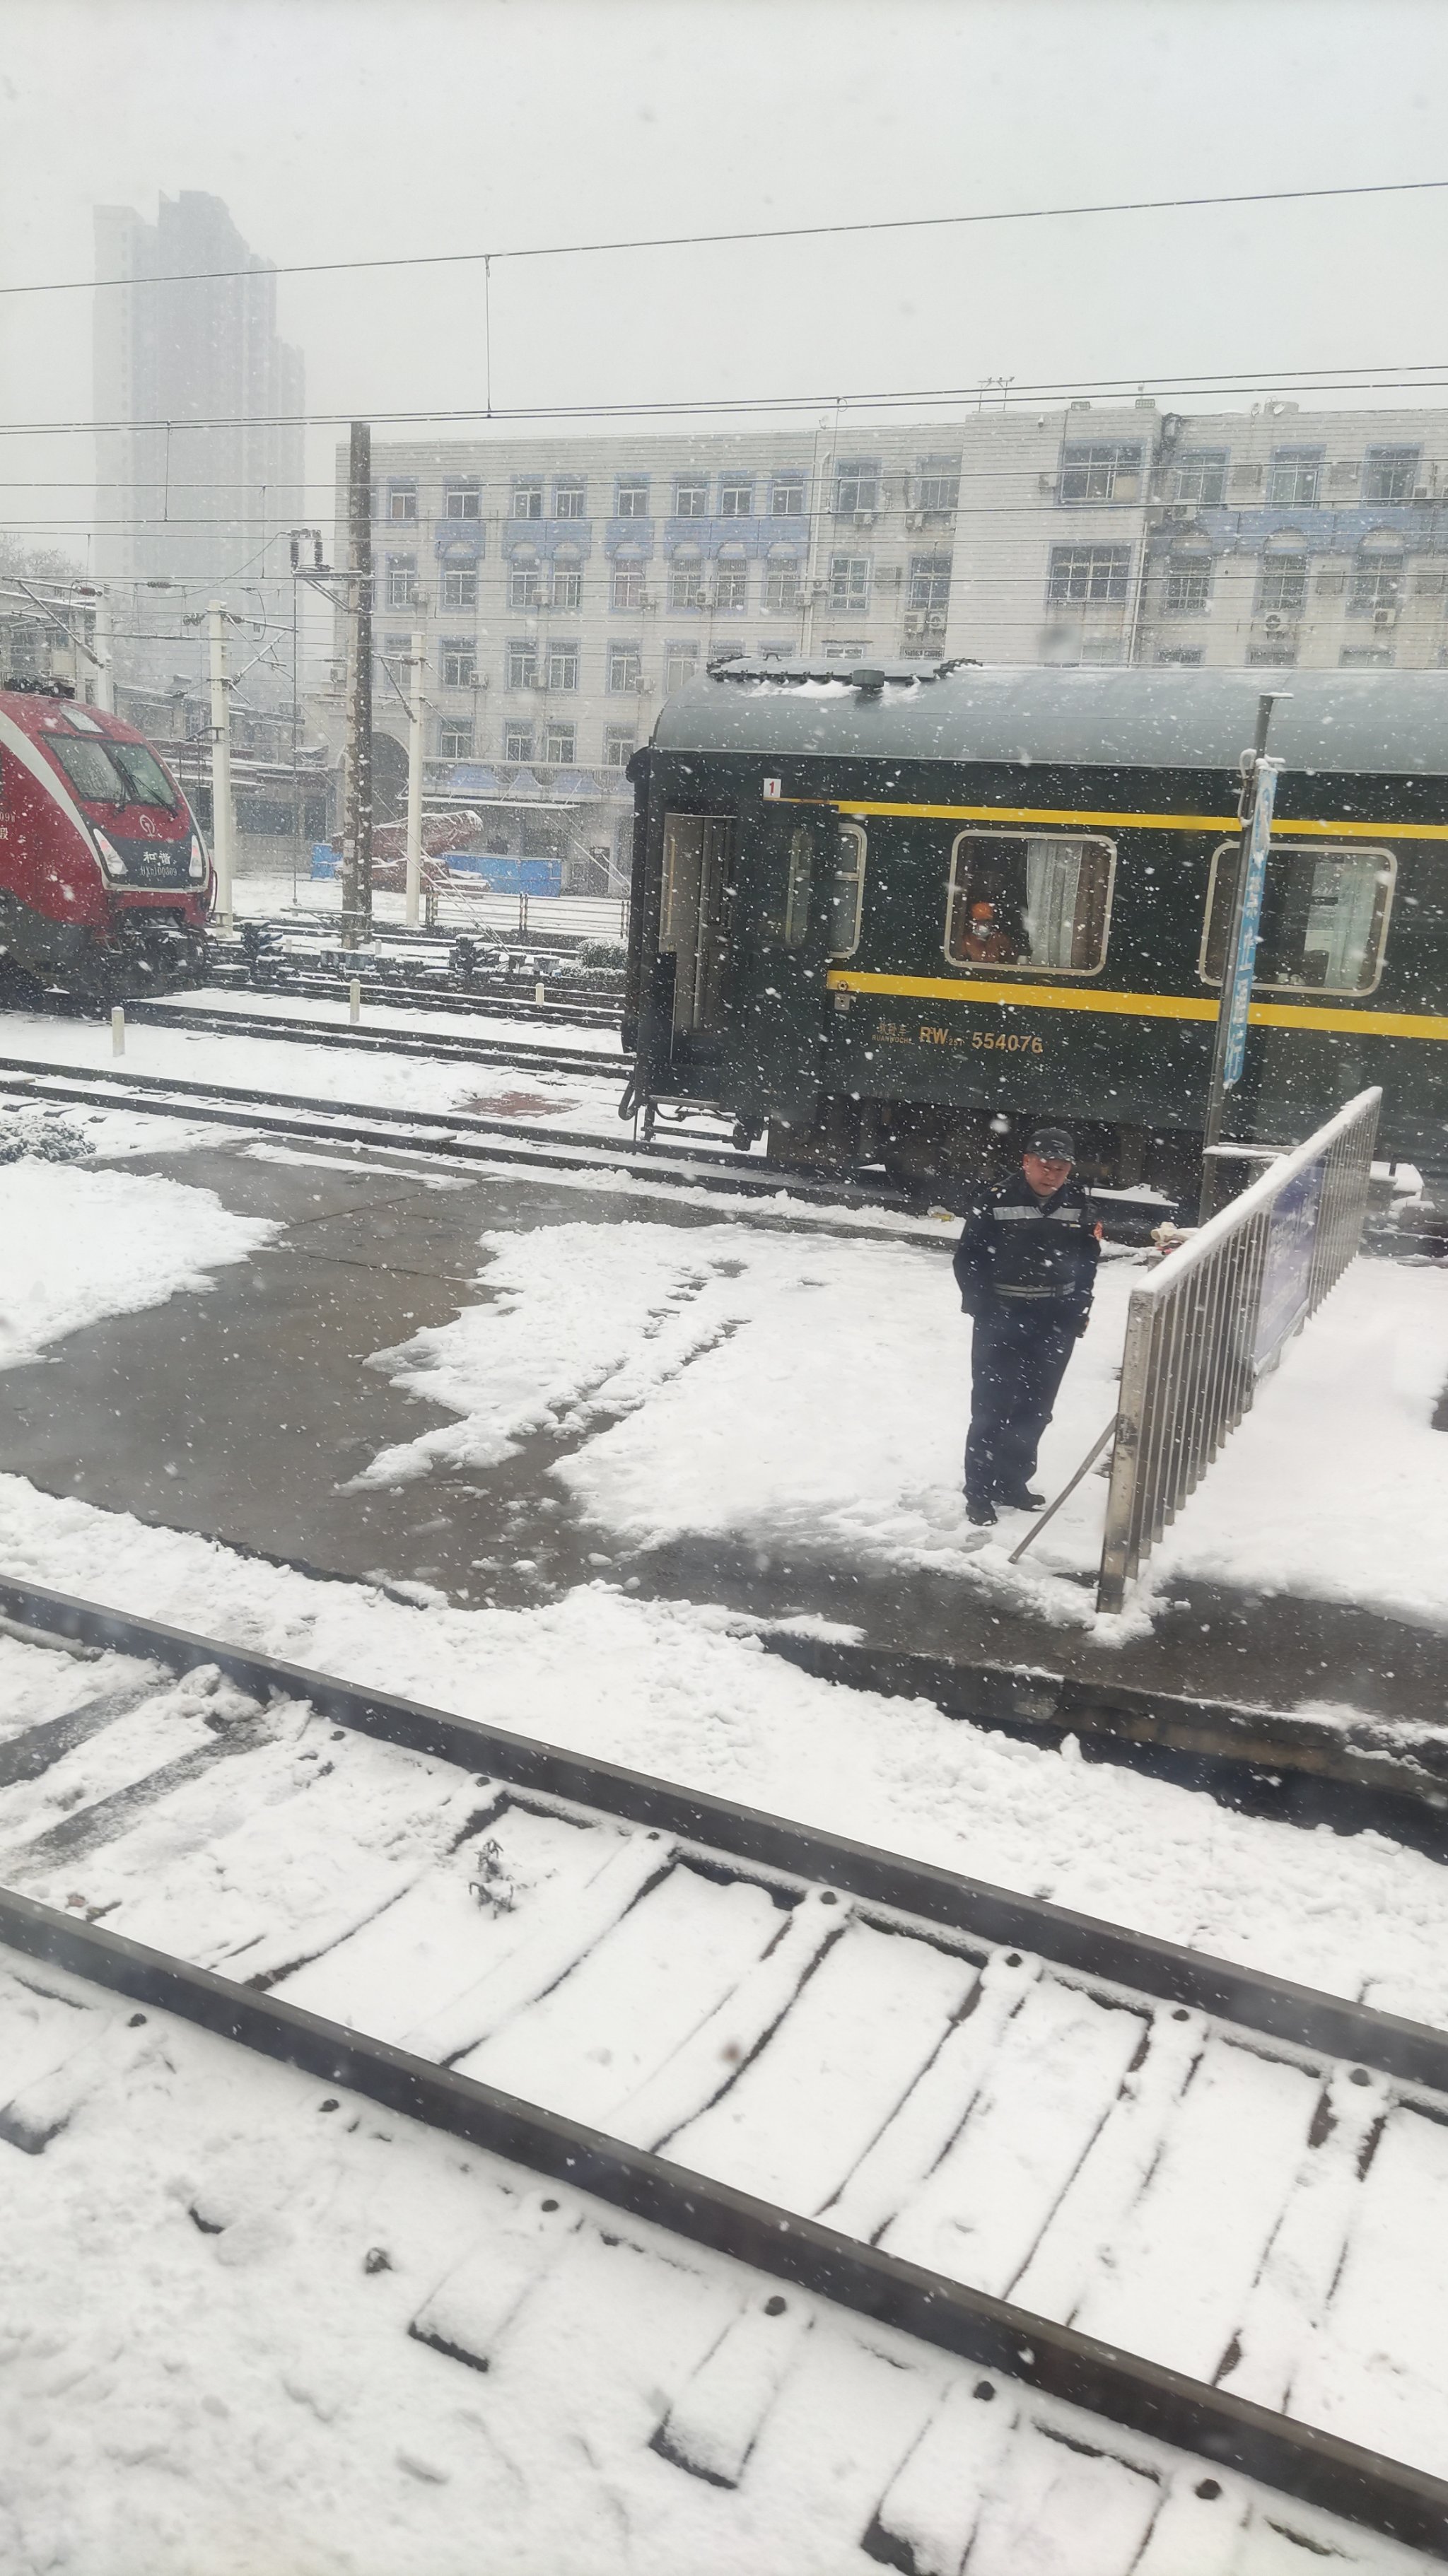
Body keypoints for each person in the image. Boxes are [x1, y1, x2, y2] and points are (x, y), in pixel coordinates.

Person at [953, 1125, 1101, 1526]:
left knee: (1036, 1409)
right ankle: (979, 1493)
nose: (1052, 1175)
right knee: (991, 1408)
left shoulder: (1080, 1206)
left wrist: (1079, 1308)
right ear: (1026, 1162)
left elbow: (1088, 1260)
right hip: (1002, 1315)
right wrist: (982, 1306)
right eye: (1045, 1166)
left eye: (1061, 1168)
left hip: (1054, 1320)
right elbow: (968, 1258)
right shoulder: (994, 1201)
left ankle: (1012, 1482)